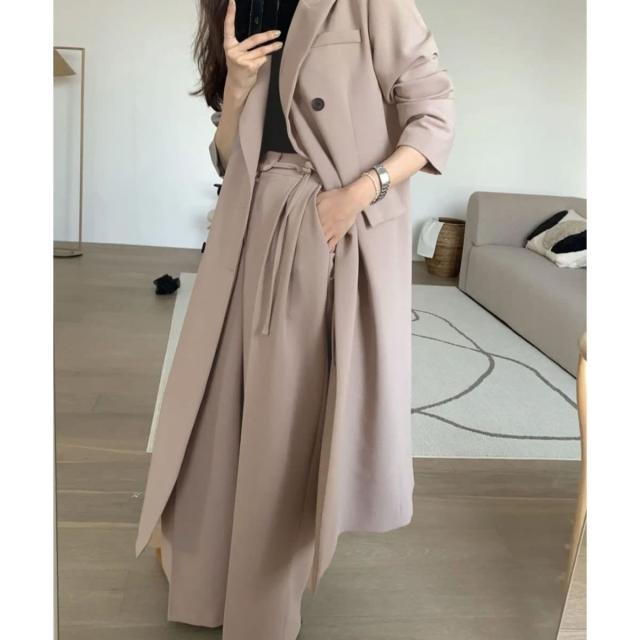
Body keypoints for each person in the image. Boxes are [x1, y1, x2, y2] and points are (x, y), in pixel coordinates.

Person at [135, 0, 455, 638]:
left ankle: (261, 609)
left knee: (283, 418)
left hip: (320, 224)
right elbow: (229, 156)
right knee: (216, 407)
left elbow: (435, 114)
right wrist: (237, 87)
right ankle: (203, 582)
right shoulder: (234, 7)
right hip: (245, 221)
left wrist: (356, 196)